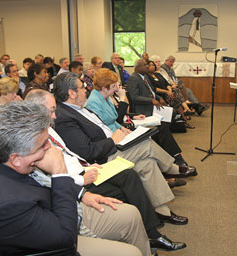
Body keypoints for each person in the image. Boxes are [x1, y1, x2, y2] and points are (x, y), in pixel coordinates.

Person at [0, 101, 146, 255]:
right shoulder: (5, 205)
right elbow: (66, 237)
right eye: (43, 145)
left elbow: (40, 181)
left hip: (51, 206)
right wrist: (59, 172)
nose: (50, 148)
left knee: (130, 214)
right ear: (16, 158)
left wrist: (82, 194)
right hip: (52, 236)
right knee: (130, 253)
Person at [25, 89, 186, 252]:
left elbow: (69, 154)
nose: (55, 115)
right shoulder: (37, 138)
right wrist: (83, 176)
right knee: (137, 166)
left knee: (145, 166)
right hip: (81, 176)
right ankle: (153, 225)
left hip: (86, 167)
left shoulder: (51, 127)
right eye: (52, 111)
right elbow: (50, 175)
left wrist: (85, 165)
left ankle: (157, 219)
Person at [53, 72, 192, 228]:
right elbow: (87, 151)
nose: (86, 89)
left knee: (147, 164)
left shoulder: (79, 108)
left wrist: (120, 132)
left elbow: (107, 124)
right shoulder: (65, 117)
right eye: (82, 87)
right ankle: (172, 168)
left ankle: (162, 210)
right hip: (104, 157)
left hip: (114, 144)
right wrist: (113, 139)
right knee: (146, 144)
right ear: (71, 93)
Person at [87, 67, 196, 167]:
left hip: (122, 128)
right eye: (113, 86)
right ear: (104, 88)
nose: (116, 89)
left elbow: (114, 119)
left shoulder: (105, 97)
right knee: (153, 135)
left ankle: (175, 160)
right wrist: (122, 99)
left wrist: (130, 120)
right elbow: (105, 125)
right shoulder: (94, 101)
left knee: (161, 127)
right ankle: (172, 166)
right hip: (114, 137)